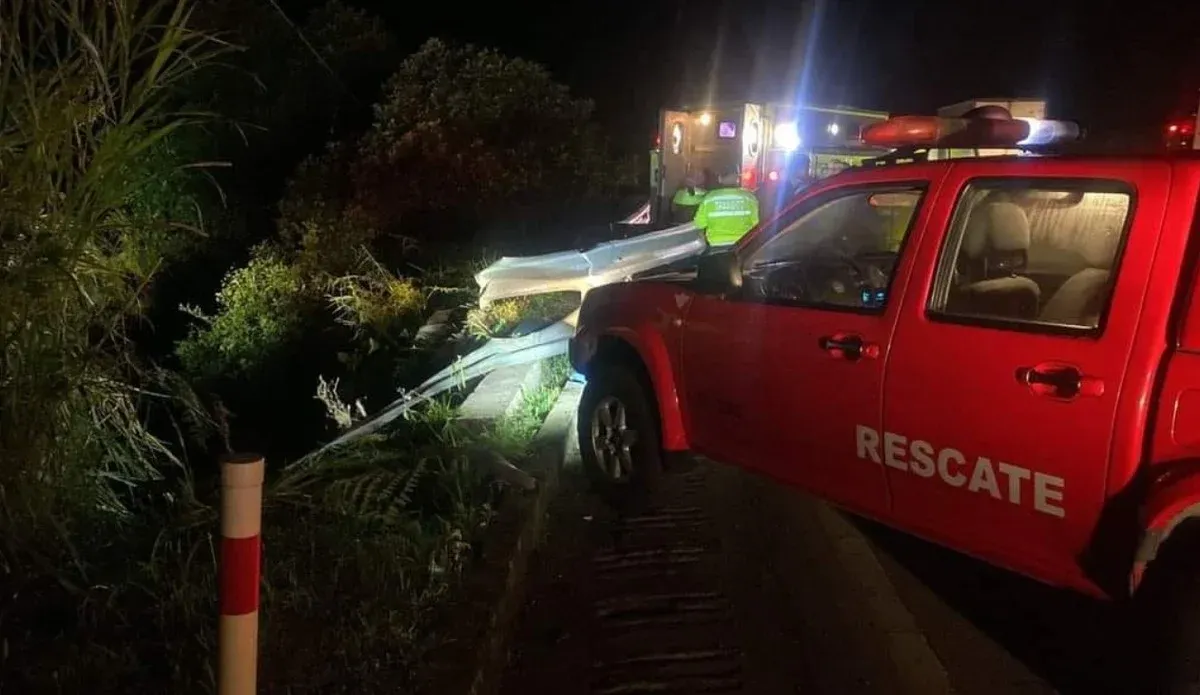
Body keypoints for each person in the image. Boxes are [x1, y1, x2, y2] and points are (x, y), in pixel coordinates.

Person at [693, 168, 760, 247]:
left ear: (720, 179)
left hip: (716, 245)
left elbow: (699, 224)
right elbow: (756, 224)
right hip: (742, 246)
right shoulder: (749, 198)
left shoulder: (709, 198)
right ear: (737, 179)